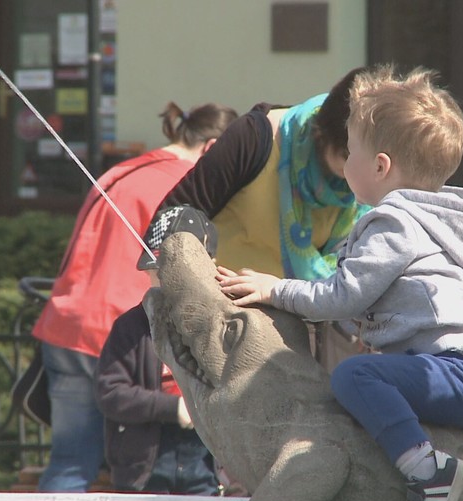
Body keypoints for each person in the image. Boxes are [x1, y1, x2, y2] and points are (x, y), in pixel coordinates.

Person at [216, 65, 463, 501]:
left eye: (351, 151)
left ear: (379, 165)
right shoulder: (429, 223)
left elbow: (343, 296)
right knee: (365, 375)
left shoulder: (393, 222)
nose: (345, 162)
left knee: (355, 376)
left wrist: (277, 290)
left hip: (452, 370)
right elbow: (367, 307)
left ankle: (427, 469)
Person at [31, 101, 238, 492]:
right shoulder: (183, 186)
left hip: (66, 323)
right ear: (212, 149)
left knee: (69, 466)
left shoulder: (127, 169)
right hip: (117, 331)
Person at [153, 67, 373, 373]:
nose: (359, 177)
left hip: (306, 345)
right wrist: (175, 336)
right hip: (220, 336)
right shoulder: (256, 137)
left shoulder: (373, 176)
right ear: (321, 136)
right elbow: (170, 221)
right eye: (348, 158)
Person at [95, 205, 220, 495]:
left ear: (209, 265)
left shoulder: (220, 326)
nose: (162, 281)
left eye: (174, 271)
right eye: (155, 270)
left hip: (205, 463)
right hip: (144, 467)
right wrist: (172, 408)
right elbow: (110, 392)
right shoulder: (130, 327)